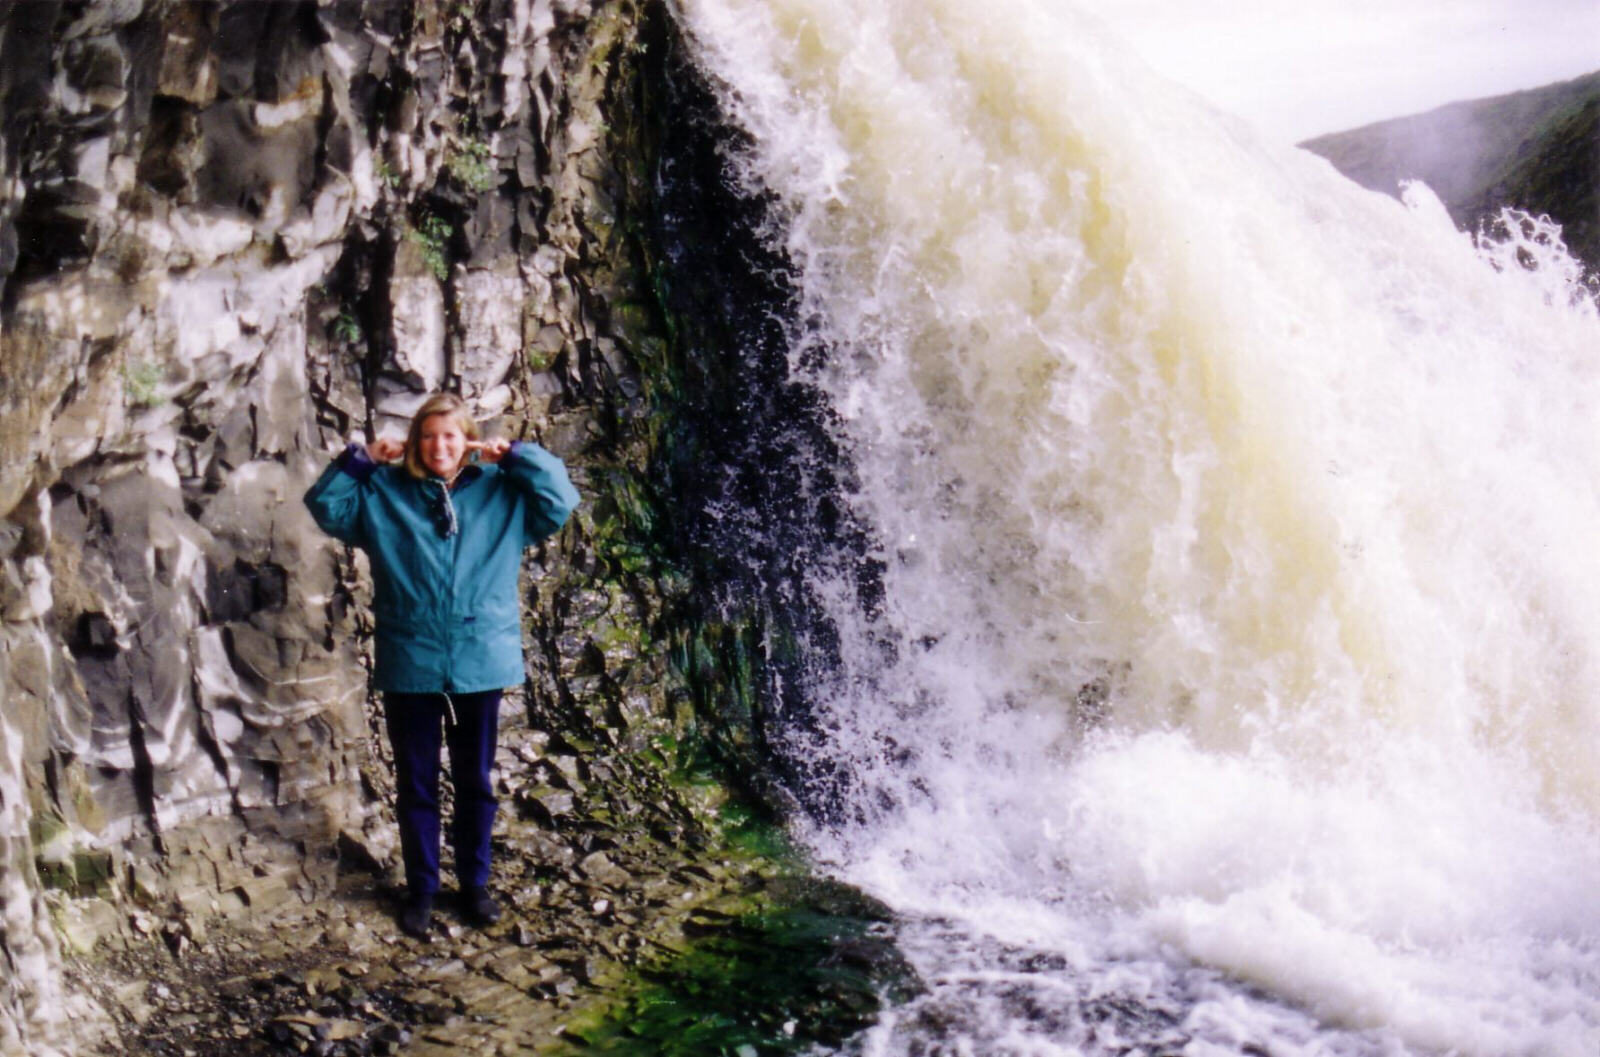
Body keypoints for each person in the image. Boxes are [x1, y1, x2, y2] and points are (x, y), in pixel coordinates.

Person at [303, 392, 579, 940]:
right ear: (414, 442)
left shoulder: (504, 493)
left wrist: (520, 456)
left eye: (451, 435)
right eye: (428, 436)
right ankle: (422, 889)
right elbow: (326, 508)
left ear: (468, 440)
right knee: (417, 783)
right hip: (412, 657)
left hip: (481, 657)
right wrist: (361, 460)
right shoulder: (384, 494)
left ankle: (474, 885)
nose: (439, 446)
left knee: (475, 780)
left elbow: (560, 500)